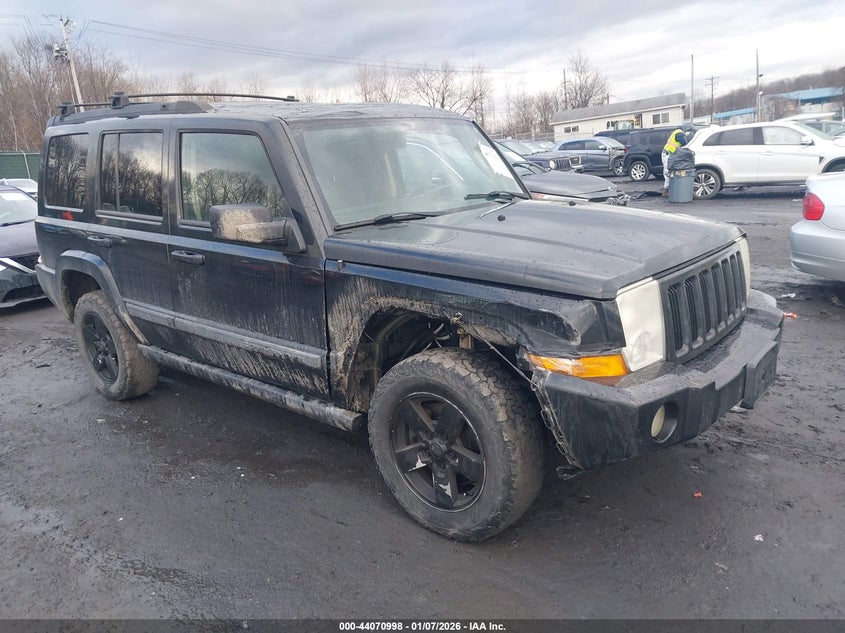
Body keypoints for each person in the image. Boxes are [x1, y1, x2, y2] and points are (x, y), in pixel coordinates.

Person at [661, 129, 688, 196]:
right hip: (668, 155)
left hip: (669, 154)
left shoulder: (676, 132)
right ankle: (666, 189)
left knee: (670, 171)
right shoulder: (680, 133)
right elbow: (684, 142)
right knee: (668, 171)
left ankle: (670, 189)